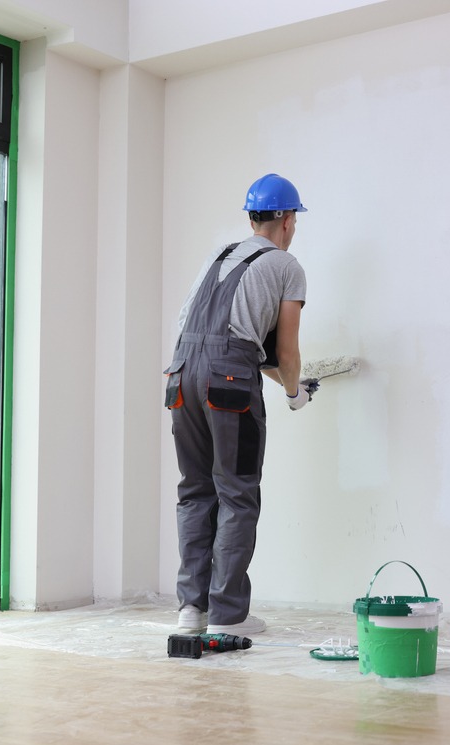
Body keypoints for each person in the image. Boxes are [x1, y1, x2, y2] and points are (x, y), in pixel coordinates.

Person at [164, 173, 315, 636]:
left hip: (181, 375)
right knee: (237, 493)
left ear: (253, 219)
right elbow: (285, 353)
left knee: (195, 491)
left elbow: (240, 346)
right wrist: (295, 394)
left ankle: (192, 609)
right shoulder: (287, 268)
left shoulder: (219, 255)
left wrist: (274, 374)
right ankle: (229, 614)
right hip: (228, 379)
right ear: (287, 220)